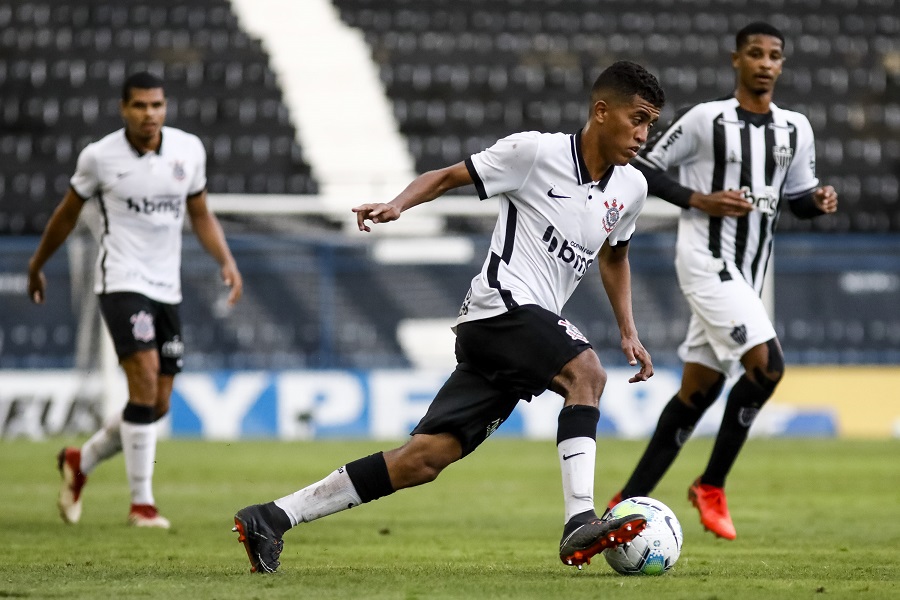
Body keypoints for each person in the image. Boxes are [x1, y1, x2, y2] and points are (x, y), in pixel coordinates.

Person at [232, 61, 665, 574]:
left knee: (424, 458)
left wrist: (629, 331)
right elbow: (446, 176)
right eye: (637, 119)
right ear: (601, 111)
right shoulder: (534, 153)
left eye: (650, 125)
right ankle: (578, 522)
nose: (643, 134)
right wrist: (398, 205)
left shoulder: (631, 189)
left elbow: (615, 256)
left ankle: (272, 517)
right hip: (499, 307)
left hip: (519, 332)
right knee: (586, 374)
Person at [606, 22, 838, 540]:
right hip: (706, 261)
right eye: (754, 53)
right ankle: (711, 484)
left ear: (781, 65)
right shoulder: (708, 119)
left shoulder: (796, 128)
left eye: (773, 55)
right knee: (768, 368)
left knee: (699, 391)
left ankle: (627, 499)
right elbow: (644, 166)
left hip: (750, 273)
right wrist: (699, 199)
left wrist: (816, 203)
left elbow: (797, 197)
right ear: (736, 59)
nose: (764, 62)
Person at [28, 71, 243, 529]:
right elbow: (66, 215)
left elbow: (200, 213)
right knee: (143, 381)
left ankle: (79, 461)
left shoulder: (188, 150)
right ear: (124, 109)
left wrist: (226, 259)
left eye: (157, 105)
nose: (151, 114)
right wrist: (38, 263)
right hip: (121, 279)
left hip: (168, 287)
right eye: (141, 106)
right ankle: (142, 505)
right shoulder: (100, 157)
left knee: (157, 403)